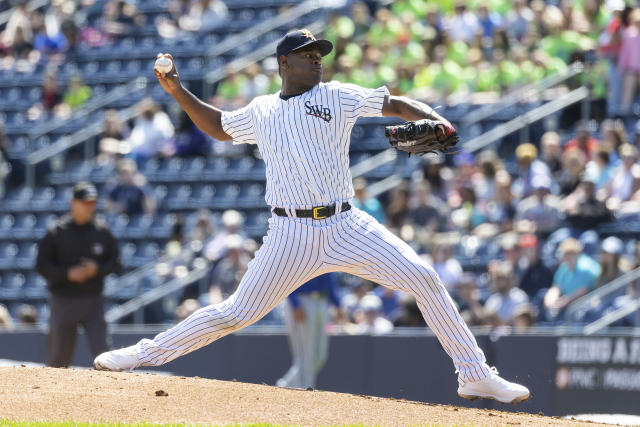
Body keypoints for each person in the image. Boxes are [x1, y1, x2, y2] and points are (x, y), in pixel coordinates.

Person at [94, 28, 529, 404]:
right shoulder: (263, 109)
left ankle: (474, 375)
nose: (317, 61)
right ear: (285, 62)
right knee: (237, 312)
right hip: (289, 232)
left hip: (345, 224)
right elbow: (219, 125)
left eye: (320, 54)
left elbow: (394, 105)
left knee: (425, 277)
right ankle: (143, 355)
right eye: (308, 55)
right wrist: (176, 90)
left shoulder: (335, 95)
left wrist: (438, 120)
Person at [36, 182, 121, 368]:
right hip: (64, 301)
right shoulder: (57, 232)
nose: (89, 207)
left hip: (93, 301)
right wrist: (68, 274)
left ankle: (114, 395)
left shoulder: (102, 232)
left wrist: (96, 269)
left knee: (104, 354)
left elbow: (116, 263)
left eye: (92, 203)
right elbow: (41, 266)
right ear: (73, 202)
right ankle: (52, 397)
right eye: (85, 202)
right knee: (58, 359)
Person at [277, 273, 341, 390]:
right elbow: (286, 277)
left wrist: (338, 303)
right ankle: (303, 395)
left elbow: (329, 273)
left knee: (319, 357)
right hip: (302, 300)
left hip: (322, 301)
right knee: (305, 357)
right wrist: (295, 304)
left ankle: (284, 386)